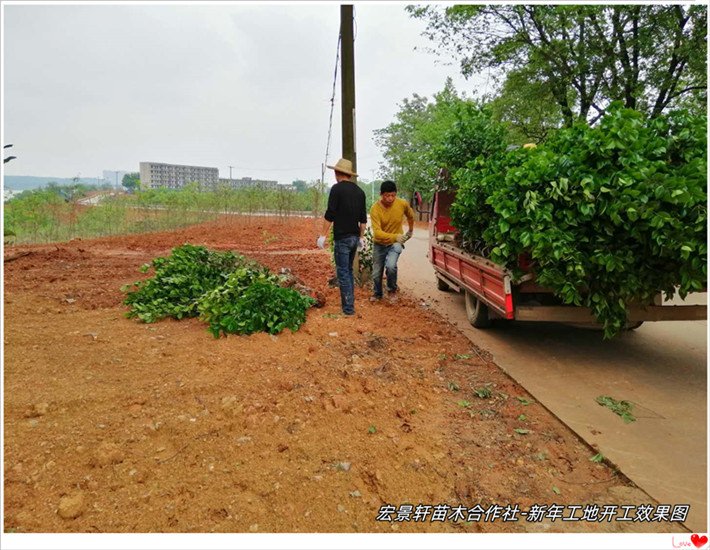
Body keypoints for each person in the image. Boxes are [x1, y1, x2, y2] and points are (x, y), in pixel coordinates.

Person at [316, 158, 367, 316]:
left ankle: (348, 309)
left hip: (342, 239)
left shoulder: (336, 190)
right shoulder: (360, 192)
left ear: (337, 172)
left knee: (343, 272)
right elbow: (363, 219)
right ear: (349, 175)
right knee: (349, 271)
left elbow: (330, 214)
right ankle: (349, 303)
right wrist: (361, 237)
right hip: (354, 238)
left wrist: (323, 235)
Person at [369, 180, 414, 303]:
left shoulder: (402, 204)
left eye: (393, 195)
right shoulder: (375, 209)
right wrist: (395, 237)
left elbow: (411, 215)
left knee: (391, 266)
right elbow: (377, 232)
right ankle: (377, 293)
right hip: (379, 243)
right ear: (381, 194)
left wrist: (410, 230)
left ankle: (392, 291)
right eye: (387, 196)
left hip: (395, 244)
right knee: (377, 272)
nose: (390, 198)